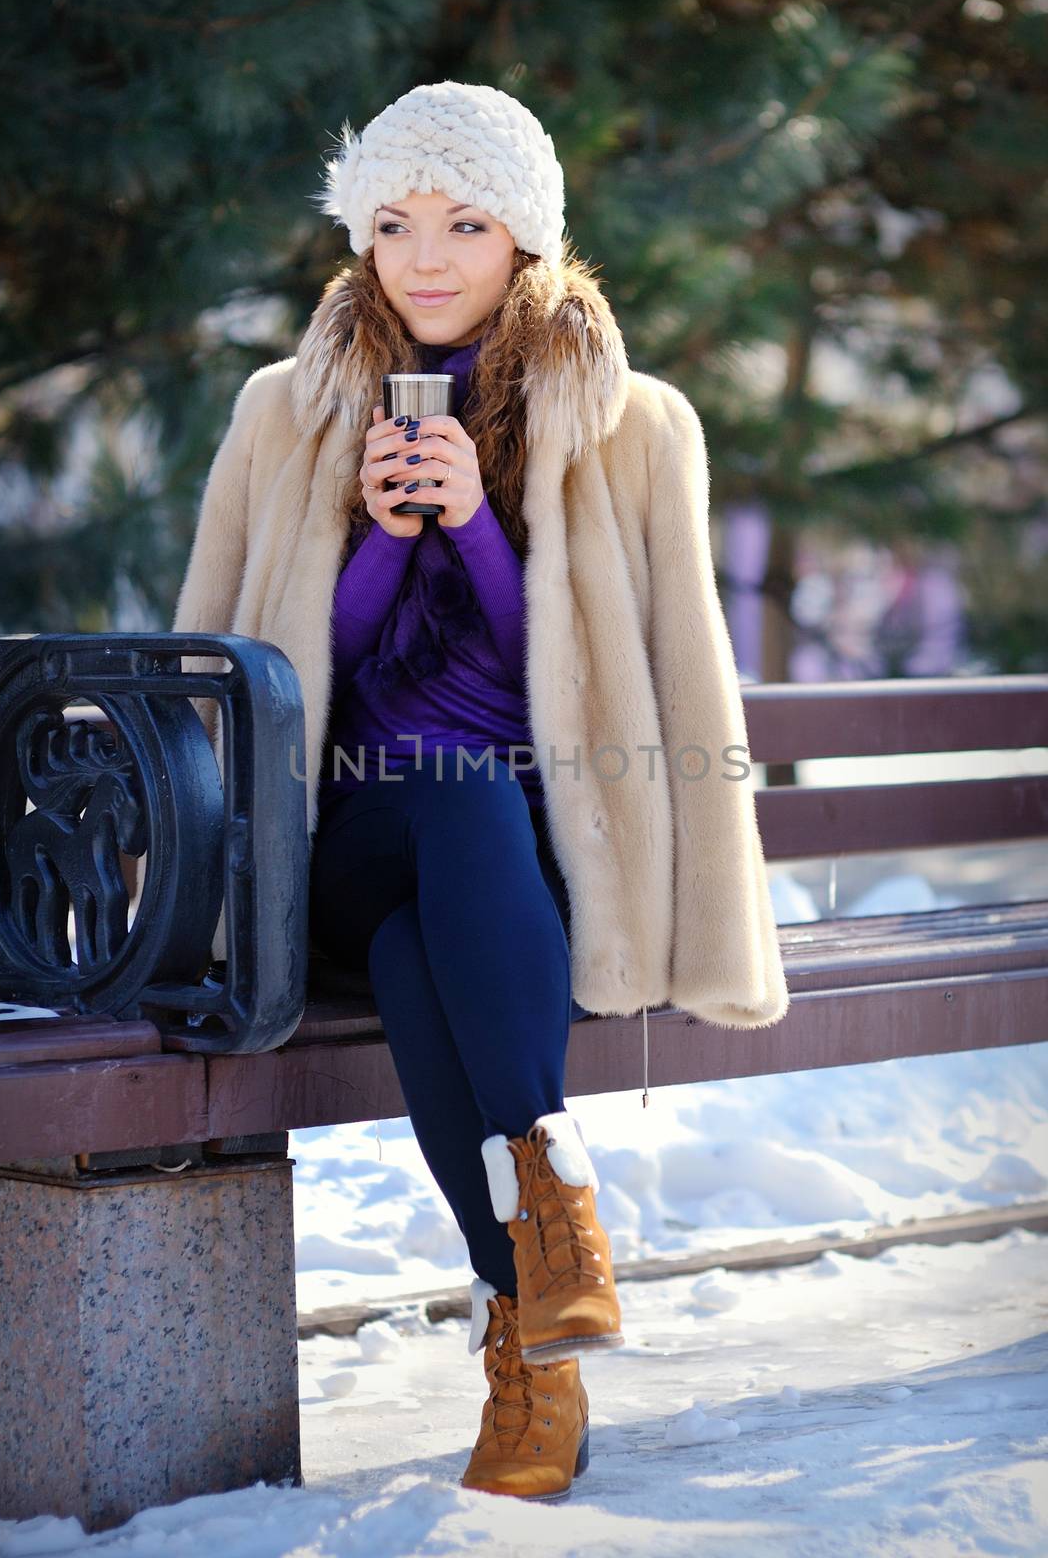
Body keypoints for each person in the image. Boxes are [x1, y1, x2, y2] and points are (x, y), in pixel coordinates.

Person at [172, 80, 790, 1503]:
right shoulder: (284, 412)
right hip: (331, 838)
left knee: (426, 929)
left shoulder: (638, 427)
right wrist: (381, 542)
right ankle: (555, 1195)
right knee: (438, 799)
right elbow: (237, 669)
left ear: (529, 240)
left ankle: (532, 1349)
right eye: (392, 222)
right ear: (360, 239)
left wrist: (482, 535)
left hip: (525, 867)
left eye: (464, 220)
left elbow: (625, 687)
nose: (427, 255)